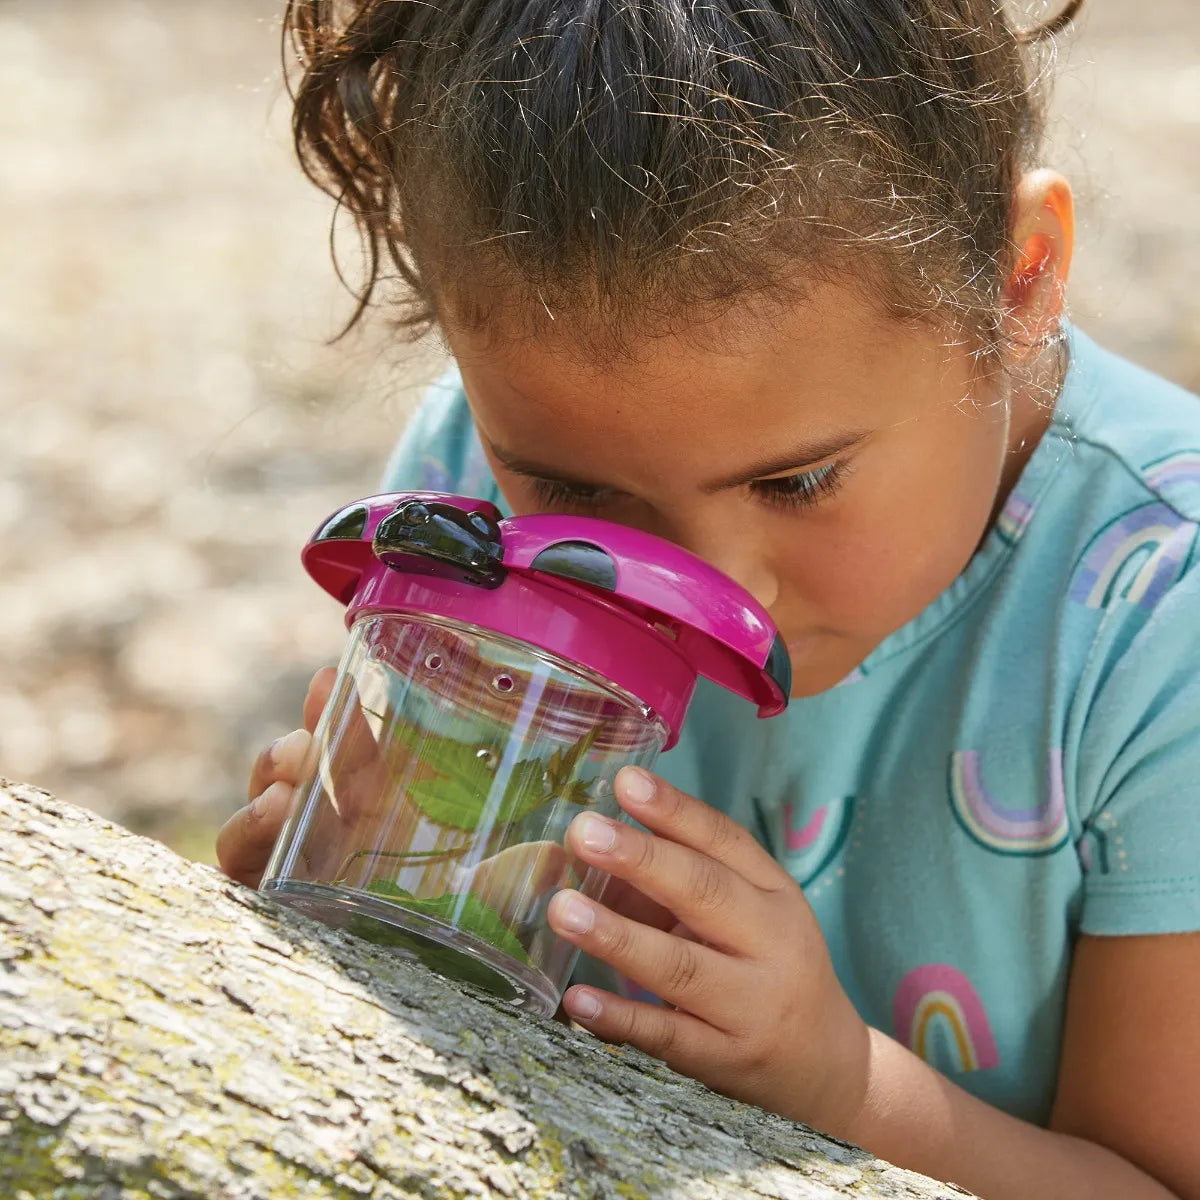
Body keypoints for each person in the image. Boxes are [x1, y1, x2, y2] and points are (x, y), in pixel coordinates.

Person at [216, 1, 1200, 1195]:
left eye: (797, 480)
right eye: (576, 489)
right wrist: (369, 874)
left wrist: (842, 1086)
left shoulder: (1163, 616)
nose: (710, 587)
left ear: (1019, 276)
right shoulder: (475, 507)